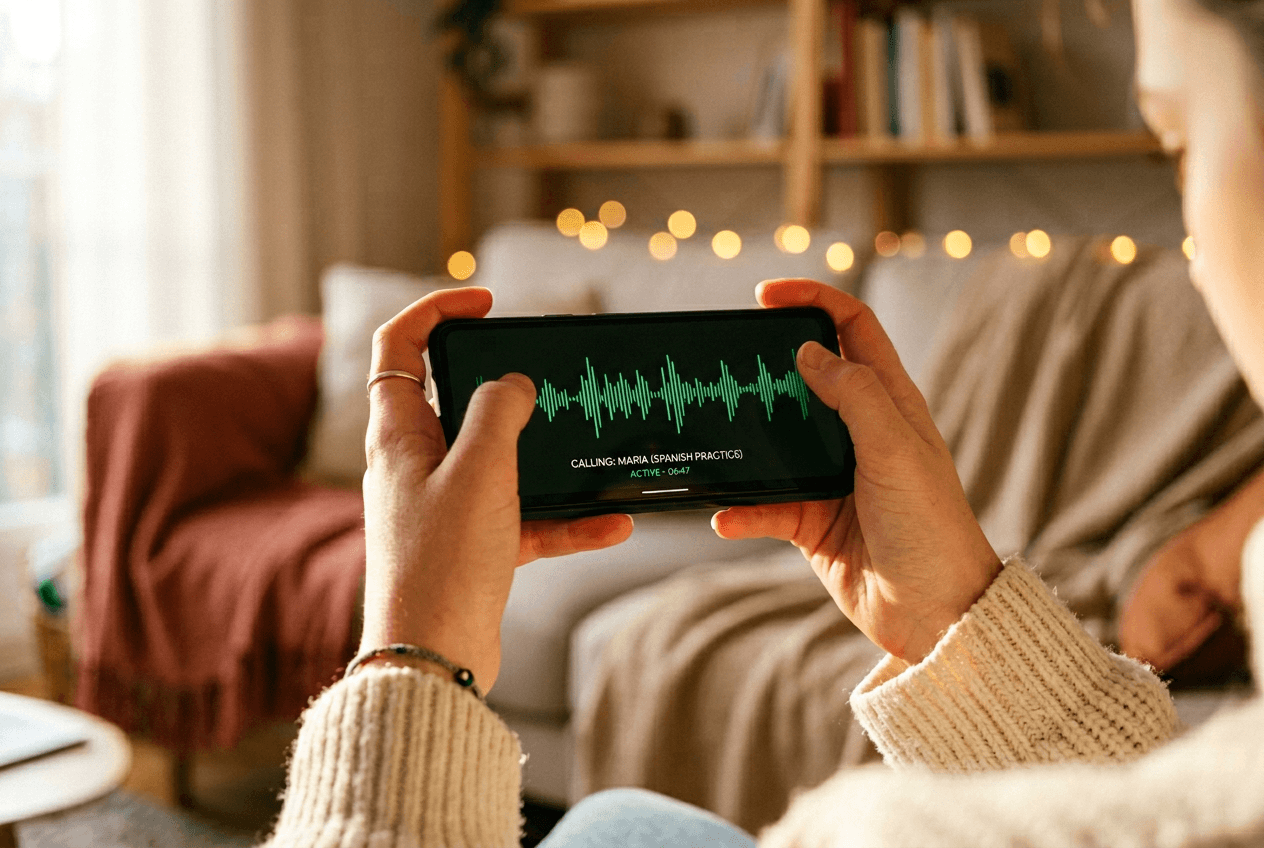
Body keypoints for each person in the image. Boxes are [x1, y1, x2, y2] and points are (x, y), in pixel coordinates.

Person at [263, 0, 1264, 845]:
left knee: (610, 826)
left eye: (1173, 141)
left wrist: (409, 656)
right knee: (615, 818)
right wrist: (956, 614)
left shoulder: (875, 823)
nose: (1188, 235)